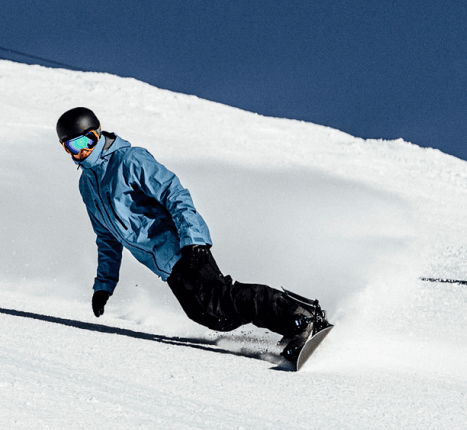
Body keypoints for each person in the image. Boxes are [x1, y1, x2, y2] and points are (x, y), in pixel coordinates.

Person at [56, 106, 330, 363]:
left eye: (84, 142)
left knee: (220, 301)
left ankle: (301, 317)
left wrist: (193, 239)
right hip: (164, 263)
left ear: (97, 134)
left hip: (182, 246)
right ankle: (290, 322)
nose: (79, 152)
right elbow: (106, 238)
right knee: (212, 316)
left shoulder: (129, 160)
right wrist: (104, 285)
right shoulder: (87, 185)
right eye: (71, 146)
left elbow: (174, 193)